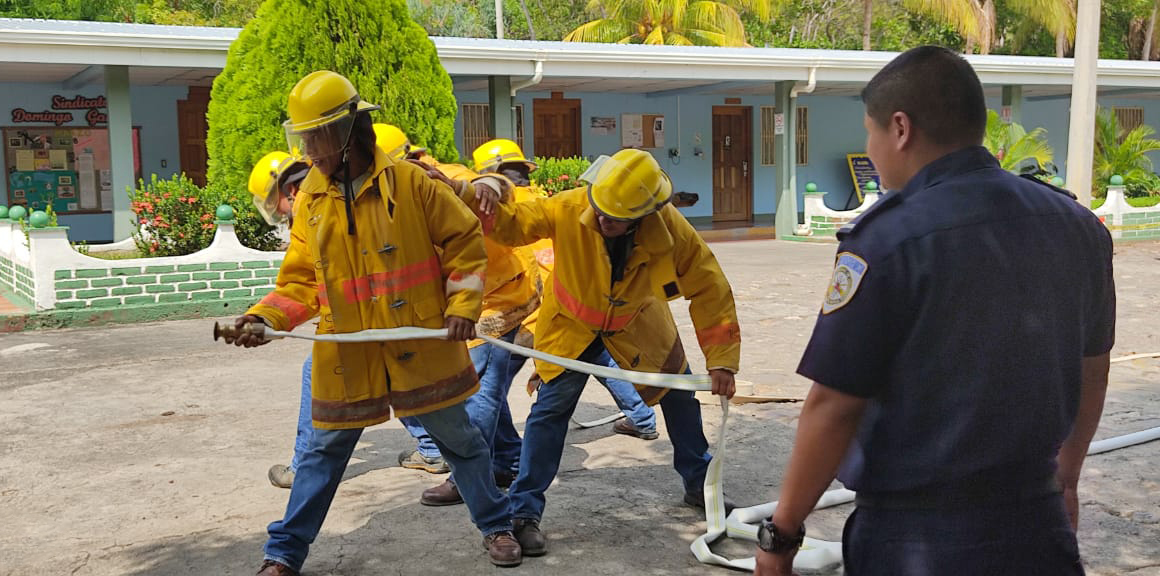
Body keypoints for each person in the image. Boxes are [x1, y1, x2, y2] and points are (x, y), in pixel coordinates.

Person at [752, 46, 1115, 576]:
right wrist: (1067, 480)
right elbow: (1093, 368)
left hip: (919, 537)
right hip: (1037, 526)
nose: (870, 150)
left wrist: (781, 534)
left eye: (870, 132)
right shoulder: (1077, 226)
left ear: (900, 129)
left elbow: (834, 405)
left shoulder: (888, 239)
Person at [219, 70, 523, 574]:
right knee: (321, 454)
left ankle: (496, 524)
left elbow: (466, 243)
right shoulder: (312, 205)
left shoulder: (412, 184)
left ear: (346, 130)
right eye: (302, 136)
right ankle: (284, 555)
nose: (308, 149)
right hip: (348, 351)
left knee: (463, 442)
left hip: (422, 343)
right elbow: (299, 283)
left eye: (315, 135)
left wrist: (462, 308)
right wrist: (262, 318)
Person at [465, 147, 742, 557]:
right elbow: (514, 226)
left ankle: (699, 486)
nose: (601, 219)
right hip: (570, 331)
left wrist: (721, 361)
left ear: (644, 215)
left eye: (614, 218)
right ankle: (524, 513)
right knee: (548, 414)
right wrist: (486, 193)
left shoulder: (670, 230)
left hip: (641, 329)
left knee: (681, 400)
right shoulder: (571, 206)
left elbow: (710, 288)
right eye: (599, 210)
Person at [372, 125, 536, 505]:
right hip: (474, 301)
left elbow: (494, 184)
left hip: (497, 302)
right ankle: (507, 461)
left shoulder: (446, 176)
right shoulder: (394, 193)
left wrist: (487, 188)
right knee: (485, 390)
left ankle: (469, 478)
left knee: (476, 396)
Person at [469, 139, 661, 441]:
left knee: (490, 387)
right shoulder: (546, 199)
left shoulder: (498, 207)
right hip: (566, 311)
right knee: (597, 357)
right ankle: (641, 416)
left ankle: (503, 454)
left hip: (529, 315)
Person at [246, 150, 313, 489]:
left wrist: (265, 317)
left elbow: (306, 283)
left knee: (316, 377)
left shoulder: (310, 207)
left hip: (365, 315)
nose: (279, 214)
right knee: (402, 381)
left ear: (287, 190)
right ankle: (433, 450)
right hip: (393, 313)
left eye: (275, 204)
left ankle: (302, 468)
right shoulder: (330, 192)